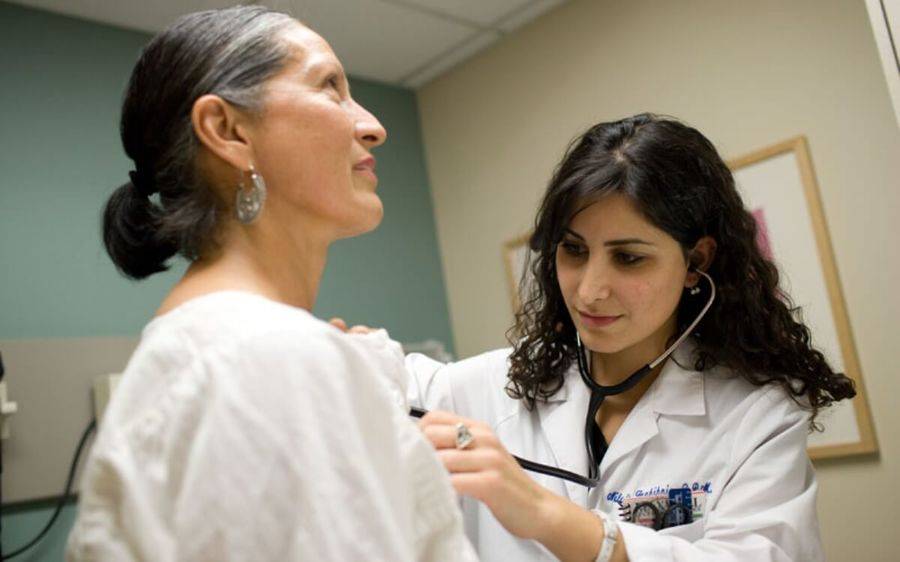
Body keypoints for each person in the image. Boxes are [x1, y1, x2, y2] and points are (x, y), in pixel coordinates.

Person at [66, 7, 478, 562]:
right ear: (229, 131)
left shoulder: (237, 353)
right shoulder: (265, 360)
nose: (373, 126)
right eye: (329, 87)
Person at [396, 114, 857, 561]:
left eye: (629, 259)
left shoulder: (755, 416)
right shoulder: (485, 388)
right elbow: (364, 381)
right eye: (574, 250)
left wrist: (544, 515)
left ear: (696, 261)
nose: (590, 291)